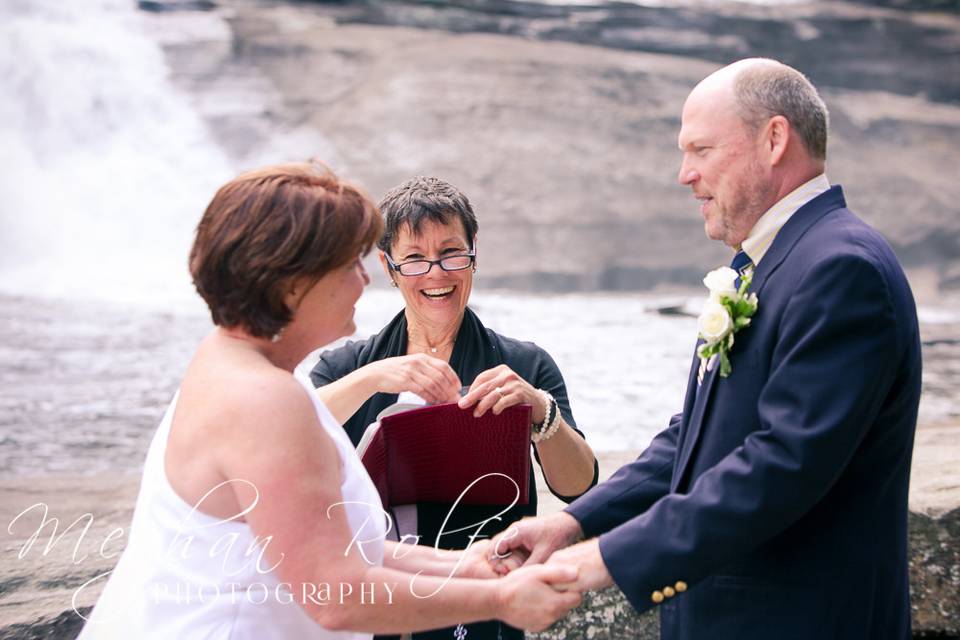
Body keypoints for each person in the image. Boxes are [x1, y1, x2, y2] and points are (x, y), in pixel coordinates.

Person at [491, 58, 922, 640]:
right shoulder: (771, 263)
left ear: (773, 140)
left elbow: (782, 465)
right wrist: (572, 522)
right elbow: (693, 437)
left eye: (700, 149)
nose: (683, 174)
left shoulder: (841, 269)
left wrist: (603, 561)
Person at [78, 162, 583, 639]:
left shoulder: (233, 366)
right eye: (347, 265)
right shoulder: (265, 399)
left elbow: (335, 547)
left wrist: (466, 566)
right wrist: (498, 598)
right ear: (294, 281)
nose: (363, 280)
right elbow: (335, 593)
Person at [310, 176, 599, 640]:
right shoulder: (345, 367)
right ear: (388, 266)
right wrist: (373, 379)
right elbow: (292, 433)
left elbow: (578, 486)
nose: (436, 273)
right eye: (415, 259)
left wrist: (540, 411)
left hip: (482, 597)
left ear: (474, 253)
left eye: (451, 253)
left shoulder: (524, 364)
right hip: (371, 597)